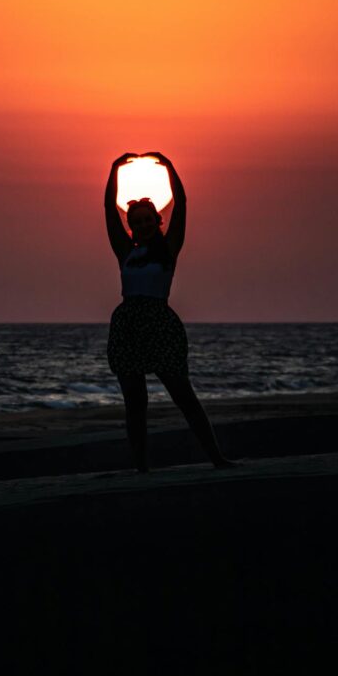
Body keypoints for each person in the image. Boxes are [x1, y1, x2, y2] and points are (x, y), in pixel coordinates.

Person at [104, 151, 234, 473]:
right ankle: (141, 468)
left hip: (160, 324)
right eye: (137, 221)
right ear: (131, 225)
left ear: (157, 221)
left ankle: (217, 459)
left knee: (183, 396)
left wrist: (170, 167)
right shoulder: (125, 252)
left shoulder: (169, 249)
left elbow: (182, 204)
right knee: (135, 402)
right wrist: (114, 169)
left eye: (148, 220)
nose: (143, 225)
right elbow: (108, 209)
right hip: (128, 325)